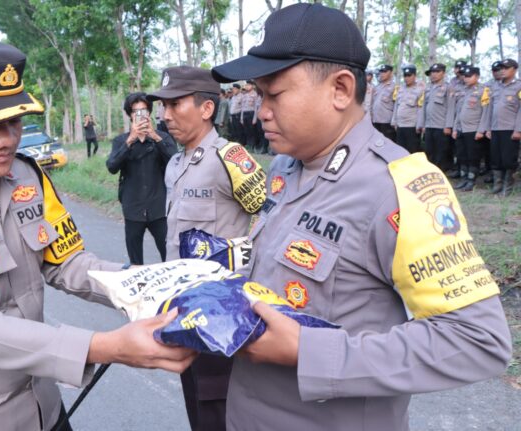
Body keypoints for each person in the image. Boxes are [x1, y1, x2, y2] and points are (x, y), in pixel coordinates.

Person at [211, 4, 511, 430]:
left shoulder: (399, 187)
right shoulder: (284, 169)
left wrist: (311, 352)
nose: (261, 111)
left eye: (274, 94)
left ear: (340, 89)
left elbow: (477, 340)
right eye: (259, 95)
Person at [0, 39, 195, 430]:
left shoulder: (27, 176)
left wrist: (157, 285)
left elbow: (66, 262)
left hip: (44, 406)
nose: (8, 138)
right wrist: (106, 347)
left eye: (15, 121)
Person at [148, 65, 267, 431]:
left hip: (221, 315)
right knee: (196, 405)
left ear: (206, 108)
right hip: (183, 309)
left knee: (218, 409)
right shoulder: (175, 163)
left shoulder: (230, 159)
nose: (166, 115)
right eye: (163, 106)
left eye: (175, 104)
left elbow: (271, 220)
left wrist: (240, 270)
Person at [106, 92, 177, 265]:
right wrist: (130, 141)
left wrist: (155, 137)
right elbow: (112, 167)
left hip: (159, 208)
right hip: (133, 209)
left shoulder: (163, 137)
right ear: (130, 115)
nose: (140, 115)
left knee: (170, 257)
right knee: (135, 262)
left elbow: (176, 163)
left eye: (143, 111)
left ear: (149, 113)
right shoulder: (121, 141)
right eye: (135, 111)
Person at [481, 58, 521, 196]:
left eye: (506, 68)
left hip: (510, 129)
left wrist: (518, 129)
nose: (502, 71)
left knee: (508, 159)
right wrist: (488, 128)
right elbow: (489, 109)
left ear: (514, 70)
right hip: (495, 128)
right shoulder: (495, 87)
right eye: (501, 68)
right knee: (496, 158)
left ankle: (507, 187)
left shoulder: (518, 86)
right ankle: (497, 185)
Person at [452, 66, 490, 191]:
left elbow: (486, 112)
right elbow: (458, 112)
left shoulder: (483, 90)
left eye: (469, 76)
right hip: (461, 129)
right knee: (462, 156)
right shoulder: (463, 91)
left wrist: (481, 130)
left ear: (477, 76)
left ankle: (471, 180)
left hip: (473, 129)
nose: (466, 78)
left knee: (473, 157)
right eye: (465, 76)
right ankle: (463, 179)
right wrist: (455, 128)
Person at [420, 63, 451, 170]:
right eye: (432, 72)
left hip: (441, 126)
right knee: (429, 151)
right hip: (429, 125)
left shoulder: (448, 88)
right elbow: (424, 108)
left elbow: (451, 108)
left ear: (443, 73)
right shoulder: (428, 89)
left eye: (437, 72)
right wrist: (423, 124)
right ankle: (430, 171)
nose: (434, 74)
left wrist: (448, 126)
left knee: (441, 152)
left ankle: (440, 172)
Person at [391, 65, 423, 153]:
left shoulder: (420, 90)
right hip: (400, 126)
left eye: (409, 75)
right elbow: (396, 106)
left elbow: (420, 109)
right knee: (400, 151)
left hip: (412, 126)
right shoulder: (400, 89)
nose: (406, 78)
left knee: (412, 151)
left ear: (414, 76)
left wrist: (419, 125)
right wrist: (394, 121)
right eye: (405, 76)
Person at [371, 64, 397, 142]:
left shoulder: (395, 87)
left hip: (387, 122)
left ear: (391, 73)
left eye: (384, 72)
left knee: (387, 144)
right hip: (375, 121)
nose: (382, 74)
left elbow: (396, 105)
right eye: (381, 72)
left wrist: (394, 121)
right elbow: (372, 104)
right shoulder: (377, 87)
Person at [239, 81, 259, 148]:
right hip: (245, 114)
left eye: (248, 85)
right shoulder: (245, 95)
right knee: (246, 130)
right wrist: (241, 118)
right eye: (246, 85)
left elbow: (256, 107)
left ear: (253, 86)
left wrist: (255, 118)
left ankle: (253, 145)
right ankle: (248, 144)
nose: (247, 86)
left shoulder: (255, 94)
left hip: (251, 114)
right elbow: (242, 107)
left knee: (252, 131)